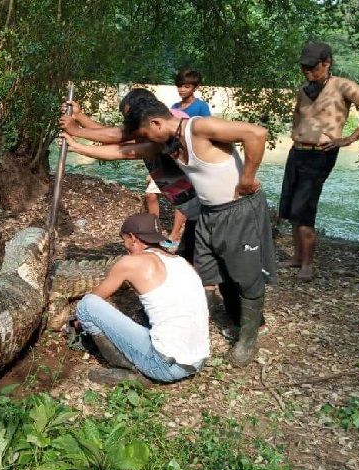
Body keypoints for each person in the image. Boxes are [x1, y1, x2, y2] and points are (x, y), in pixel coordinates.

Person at [61, 98, 277, 367]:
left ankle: (249, 339)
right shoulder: (167, 142)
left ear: (155, 123)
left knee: (245, 275)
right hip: (208, 213)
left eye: (145, 133)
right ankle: (191, 325)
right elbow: (122, 150)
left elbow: (256, 133)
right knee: (204, 271)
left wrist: (247, 178)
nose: (144, 139)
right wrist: (78, 144)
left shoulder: (198, 128)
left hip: (239, 210)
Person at [279, 42, 359, 281]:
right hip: (297, 152)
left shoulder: (342, 85)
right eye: (304, 67)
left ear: (327, 63)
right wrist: (296, 133)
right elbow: (297, 114)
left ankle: (308, 265)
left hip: (320, 154)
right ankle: (297, 257)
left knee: (305, 208)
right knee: (292, 206)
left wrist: (349, 138)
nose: (307, 71)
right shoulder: (303, 90)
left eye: (312, 67)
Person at [59, 88, 198, 262]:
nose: (130, 124)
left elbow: (118, 139)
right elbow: (116, 140)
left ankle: (176, 238)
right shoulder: (149, 135)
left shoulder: (171, 130)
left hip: (208, 210)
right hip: (196, 212)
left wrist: (77, 131)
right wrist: (79, 124)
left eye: (131, 117)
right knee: (191, 260)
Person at [74, 213, 209, 383]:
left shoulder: (130, 262)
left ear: (132, 238)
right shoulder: (182, 262)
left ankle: (127, 370)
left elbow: (96, 299)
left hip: (164, 367)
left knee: (86, 306)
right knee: (144, 312)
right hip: (197, 361)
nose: (125, 245)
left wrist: (79, 321)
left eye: (124, 239)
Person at [165, 69, 211, 250]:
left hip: (194, 159)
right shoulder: (174, 108)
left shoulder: (201, 107)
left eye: (186, 86)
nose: (182, 90)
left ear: (195, 87)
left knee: (185, 196)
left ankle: (175, 235)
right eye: (179, 86)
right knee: (177, 194)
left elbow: (208, 131)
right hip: (176, 157)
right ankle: (181, 234)